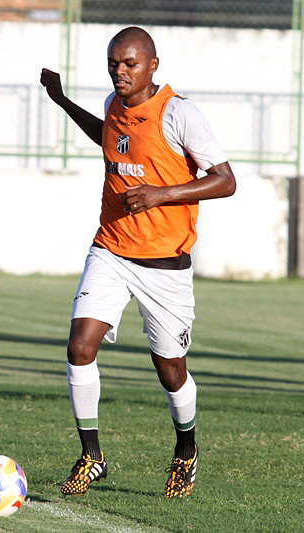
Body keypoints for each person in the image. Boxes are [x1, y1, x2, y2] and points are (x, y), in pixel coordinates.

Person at [40, 26, 236, 498]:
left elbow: (225, 180)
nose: (120, 72)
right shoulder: (113, 104)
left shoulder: (179, 113)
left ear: (152, 65)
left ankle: (185, 452)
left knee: (171, 372)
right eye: (113, 64)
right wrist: (64, 102)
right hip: (110, 249)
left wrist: (161, 194)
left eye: (129, 64)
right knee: (79, 346)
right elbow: (110, 139)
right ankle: (92, 456)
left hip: (165, 266)